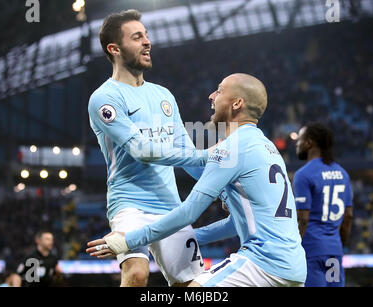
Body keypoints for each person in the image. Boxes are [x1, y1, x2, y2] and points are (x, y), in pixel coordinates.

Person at [87, 73, 307, 287]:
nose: (212, 95)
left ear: (237, 103)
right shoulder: (265, 146)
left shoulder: (230, 149)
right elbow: (235, 223)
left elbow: (189, 212)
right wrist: (183, 238)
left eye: (219, 91)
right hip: (294, 268)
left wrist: (127, 240)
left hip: (262, 262)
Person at [88, 9, 209, 287]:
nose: (147, 42)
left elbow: (187, 156)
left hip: (171, 205)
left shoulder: (163, 95)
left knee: (193, 284)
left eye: (147, 35)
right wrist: (209, 154)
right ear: (114, 48)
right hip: (130, 203)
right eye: (137, 37)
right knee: (137, 274)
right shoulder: (105, 98)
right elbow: (141, 150)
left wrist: (219, 186)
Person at [293, 123, 353, 287]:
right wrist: (338, 244)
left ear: (309, 143)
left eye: (300, 139)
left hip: (311, 253)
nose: (297, 143)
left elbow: (303, 219)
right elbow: (348, 216)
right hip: (334, 253)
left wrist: (293, 250)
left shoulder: (303, 175)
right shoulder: (342, 173)